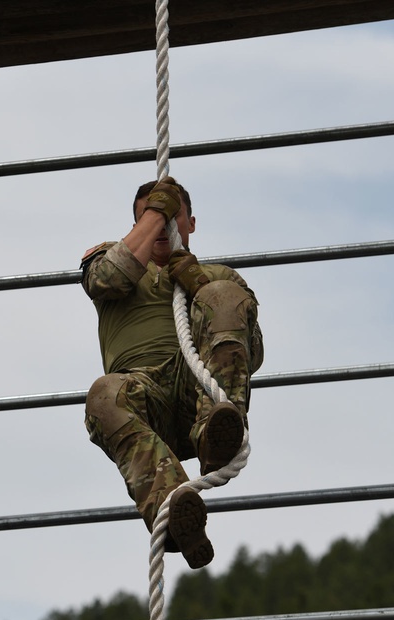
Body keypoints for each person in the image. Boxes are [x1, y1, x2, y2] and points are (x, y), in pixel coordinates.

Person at [80, 177, 264, 569]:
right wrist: (158, 211)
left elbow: (253, 354)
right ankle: (176, 511)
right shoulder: (109, 259)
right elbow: (107, 279)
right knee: (104, 395)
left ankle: (216, 436)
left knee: (223, 298)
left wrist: (199, 286)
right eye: (151, 217)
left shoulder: (222, 278)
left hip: (196, 393)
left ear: (191, 224)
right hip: (145, 400)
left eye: (172, 216)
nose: (163, 226)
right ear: (136, 227)